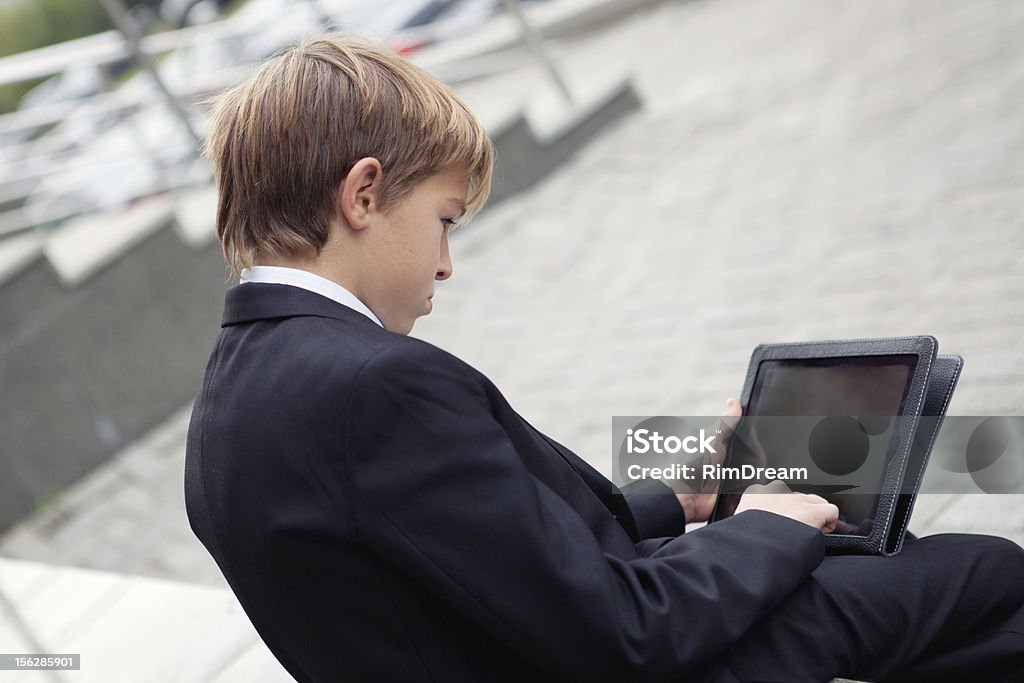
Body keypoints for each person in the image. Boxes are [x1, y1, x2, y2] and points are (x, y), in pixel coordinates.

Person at [184, 35, 1024, 682]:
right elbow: (625, 633)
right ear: (364, 195)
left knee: (900, 560)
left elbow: (491, 560)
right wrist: (769, 523)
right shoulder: (372, 384)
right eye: (444, 220)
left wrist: (679, 497)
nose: (445, 264)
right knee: (982, 572)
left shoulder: (229, 400)